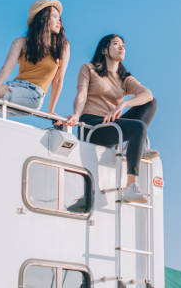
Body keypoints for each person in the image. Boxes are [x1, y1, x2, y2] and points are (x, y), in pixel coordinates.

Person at [65, 34, 157, 203]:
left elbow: (147, 94)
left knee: (151, 103)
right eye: (116, 44)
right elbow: (82, 94)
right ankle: (131, 186)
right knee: (139, 128)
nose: (121, 47)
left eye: (123, 45)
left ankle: (130, 148)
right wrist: (76, 115)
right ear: (104, 50)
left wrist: (124, 105)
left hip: (110, 124)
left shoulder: (124, 78)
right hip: (92, 126)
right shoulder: (89, 68)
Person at [0, 0, 70, 118]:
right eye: (54, 16)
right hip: (14, 86)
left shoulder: (62, 46)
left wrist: (51, 111)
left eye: (59, 17)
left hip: (33, 94)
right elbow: (7, 67)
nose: (59, 20)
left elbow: (58, 79)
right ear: (42, 19)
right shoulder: (21, 42)